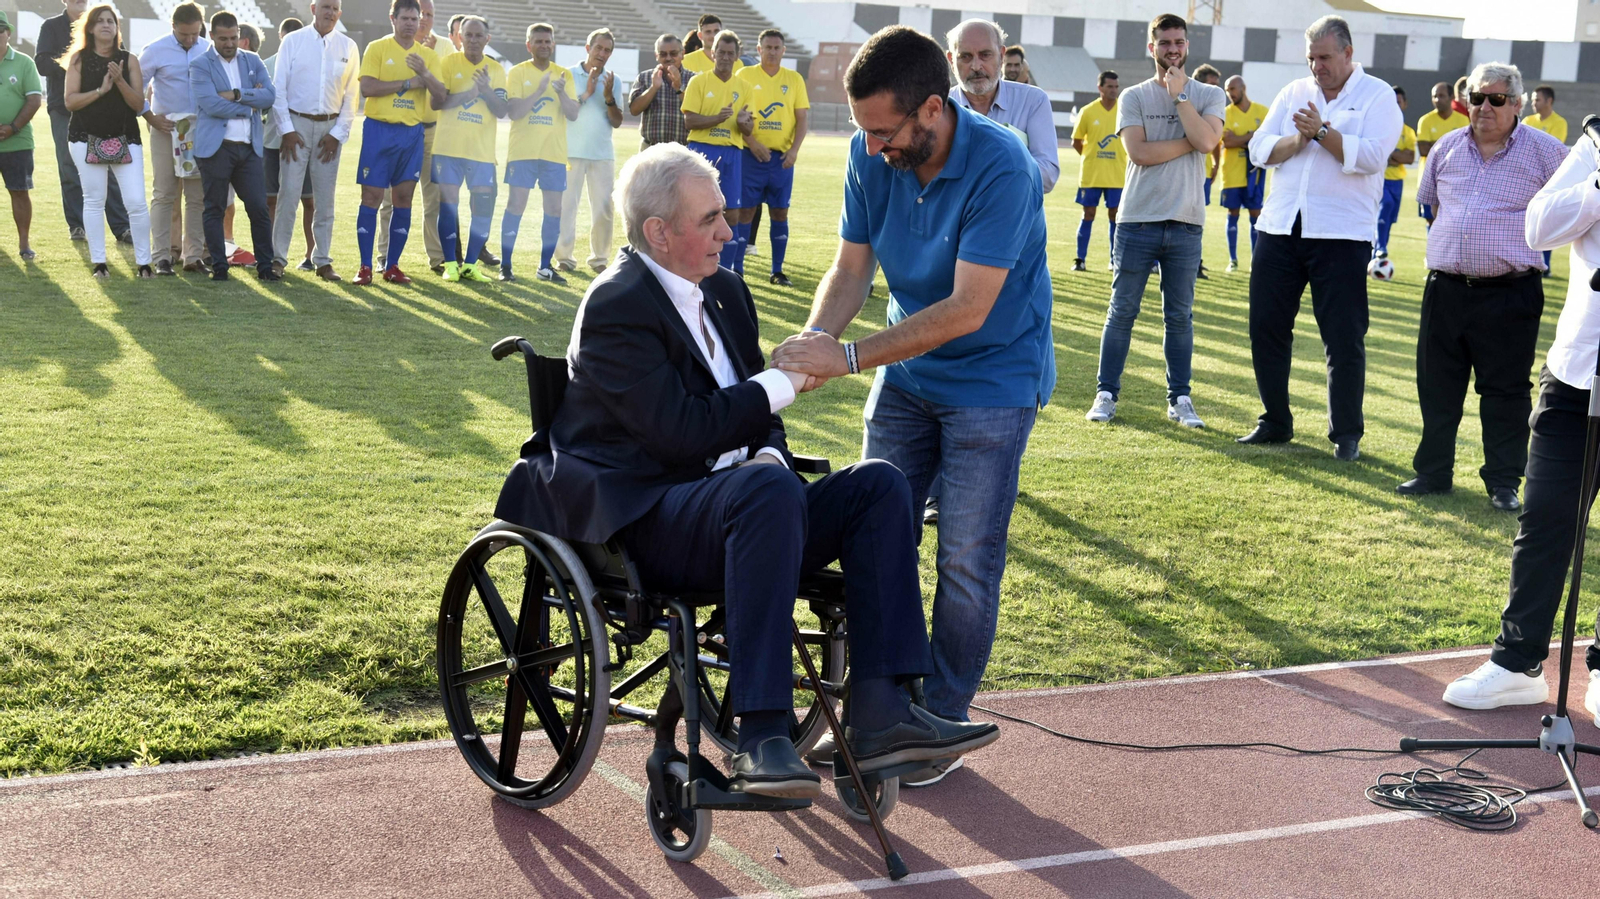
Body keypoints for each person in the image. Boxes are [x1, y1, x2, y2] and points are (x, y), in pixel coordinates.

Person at [494, 142, 1000, 797]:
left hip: (751, 509)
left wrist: (768, 445)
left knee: (879, 484)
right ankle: (762, 736)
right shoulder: (617, 304)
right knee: (764, 487)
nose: (729, 232)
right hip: (651, 521)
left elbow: (753, 414)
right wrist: (780, 387)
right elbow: (682, 432)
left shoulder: (726, 292)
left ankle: (881, 716)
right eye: (709, 220)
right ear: (659, 232)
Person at [769, 25, 1052, 787]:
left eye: (881, 131)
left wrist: (852, 356)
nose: (869, 149)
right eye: (861, 130)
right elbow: (852, 269)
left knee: (965, 557)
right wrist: (813, 341)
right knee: (875, 535)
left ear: (933, 109)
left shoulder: (1004, 167)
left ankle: (942, 718)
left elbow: (967, 308)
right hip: (908, 382)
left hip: (992, 382)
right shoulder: (878, 159)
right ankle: (882, 703)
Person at [1443, 112, 1600, 724]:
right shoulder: (1593, 144)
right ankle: (1518, 664)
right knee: (1545, 522)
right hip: (1577, 371)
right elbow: (1538, 225)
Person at [1397, 63, 1566, 514]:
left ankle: (1503, 482)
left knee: (1506, 392)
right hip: (1447, 289)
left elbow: (1580, 199)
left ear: (1516, 103)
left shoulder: (1546, 151)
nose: (1484, 107)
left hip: (1511, 293)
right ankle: (1433, 472)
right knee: (1437, 386)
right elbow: (1431, 206)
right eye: (1476, 98)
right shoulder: (1446, 148)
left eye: (1495, 99)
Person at [1238, 15, 1401, 461]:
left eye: (1325, 57)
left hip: (1341, 233)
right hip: (1280, 226)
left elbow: (1371, 157)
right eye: (1311, 58)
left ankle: (1345, 434)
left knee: (1343, 337)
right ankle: (1275, 421)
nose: (1317, 67)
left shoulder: (1378, 96)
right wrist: (1298, 139)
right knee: (1266, 327)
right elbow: (1258, 148)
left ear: (1349, 53)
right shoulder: (1294, 92)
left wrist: (1324, 133)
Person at [1084, 13, 1224, 429]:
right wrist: (1191, 140)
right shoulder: (1134, 96)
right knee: (1121, 311)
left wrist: (1182, 99)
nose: (1173, 49)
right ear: (1152, 48)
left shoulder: (1207, 94)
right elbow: (1140, 154)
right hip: (1138, 221)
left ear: (1187, 45)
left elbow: (1209, 143)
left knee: (1179, 316)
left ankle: (1180, 399)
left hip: (1186, 222)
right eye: (1165, 43)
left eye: (1179, 42)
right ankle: (1106, 394)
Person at [352, 0, 444, 286]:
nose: (410, 23)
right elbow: (367, 88)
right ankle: (366, 267)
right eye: (405, 18)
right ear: (392, 19)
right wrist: (407, 83)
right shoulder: (378, 48)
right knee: (372, 198)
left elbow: (440, 99)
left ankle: (392, 266)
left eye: (415, 19)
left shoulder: (427, 56)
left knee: (404, 199)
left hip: (411, 135)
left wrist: (425, 75)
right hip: (379, 131)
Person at [60, 4, 153, 279]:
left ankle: (144, 264)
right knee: (94, 200)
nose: (105, 25)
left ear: (117, 27)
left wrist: (119, 81)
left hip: (126, 138)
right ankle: (99, 263)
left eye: (110, 21)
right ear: (90, 27)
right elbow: (70, 102)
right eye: (99, 21)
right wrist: (101, 90)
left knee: (136, 201)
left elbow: (138, 104)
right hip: (84, 137)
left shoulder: (130, 60)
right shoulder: (78, 59)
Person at [270, 0, 359, 281]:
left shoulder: (348, 47)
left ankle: (322, 260)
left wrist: (337, 135)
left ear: (340, 13)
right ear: (313, 9)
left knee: (325, 199)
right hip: (295, 126)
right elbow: (278, 88)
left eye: (334, 8)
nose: (330, 12)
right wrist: (286, 130)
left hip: (329, 131)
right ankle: (277, 259)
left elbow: (351, 97)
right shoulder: (293, 42)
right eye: (325, 7)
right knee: (289, 195)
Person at [189, 11, 277, 281]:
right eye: (224, 38)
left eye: (234, 37)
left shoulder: (252, 60)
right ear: (212, 35)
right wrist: (248, 106)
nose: (230, 43)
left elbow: (270, 96)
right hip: (216, 148)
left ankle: (265, 267)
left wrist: (238, 94)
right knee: (214, 208)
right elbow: (209, 103)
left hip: (249, 148)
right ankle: (220, 268)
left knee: (258, 209)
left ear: (240, 36)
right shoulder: (200, 64)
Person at [34, 0, 129, 245]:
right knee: (69, 167)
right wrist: (77, 65)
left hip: (102, 107)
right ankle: (77, 226)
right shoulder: (52, 27)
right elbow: (42, 64)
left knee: (109, 163)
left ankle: (121, 227)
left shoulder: (101, 21)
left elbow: (121, 57)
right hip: (64, 106)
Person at [501, 22, 579, 284]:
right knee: (516, 206)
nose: (544, 45)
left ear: (553, 44)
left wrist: (559, 92)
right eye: (538, 41)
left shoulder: (563, 75)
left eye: (547, 41)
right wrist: (538, 89)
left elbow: (573, 114)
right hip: (523, 152)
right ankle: (506, 265)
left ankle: (545, 267)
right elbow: (514, 112)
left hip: (553, 154)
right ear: (529, 45)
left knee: (554, 210)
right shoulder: (517, 72)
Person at [429, 15, 505, 284]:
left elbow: (502, 110)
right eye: (468, 35)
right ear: (459, 37)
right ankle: (451, 264)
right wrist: (471, 93)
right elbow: (438, 102)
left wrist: (485, 90)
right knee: (449, 207)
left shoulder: (495, 70)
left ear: (487, 39)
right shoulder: (447, 63)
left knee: (482, 210)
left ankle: (471, 264)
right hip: (449, 149)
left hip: (481, 153)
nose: (472, 40)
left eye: (478, 35)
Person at [376, 0, 448, 273]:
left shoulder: (444, 47)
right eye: (415, 15)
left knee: (434, 199)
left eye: (427, 15)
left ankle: (438, 258)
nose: (421, 20)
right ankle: (385, 256)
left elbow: (443, 94)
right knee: (388, 199)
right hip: (395, 132)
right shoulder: (384, 46)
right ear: (396, 18)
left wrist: (425, 71)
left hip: (431, 132)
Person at [139, 2, 209, 276]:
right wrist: (149, 116)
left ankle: (193, 256)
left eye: (195, 33)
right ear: (173, 27)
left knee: (196, 196)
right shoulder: (155, 50)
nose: (190, 40)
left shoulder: (208, 49)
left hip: (199, 132)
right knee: (165, 192)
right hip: (166, 129)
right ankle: (162, 256)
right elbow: (137, 86)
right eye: (184, 35)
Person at [947, 20, 1057, 194]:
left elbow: (1047, 175)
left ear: (1001, 55)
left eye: (985, 55)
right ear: (951, 60)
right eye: (965, 56)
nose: (976, 66)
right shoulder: (938, 107)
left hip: (1016, 219)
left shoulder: (1032, 101)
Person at [737, 29, 809, 286]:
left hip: (781, 161)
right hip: (750, 157)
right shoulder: (744, 75)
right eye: (767, 47)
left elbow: (802, 119)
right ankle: (738, 270)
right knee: (744, 211)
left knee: (780, 212)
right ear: (759, 49)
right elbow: (738, 117)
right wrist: (753, 142)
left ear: (783, 50)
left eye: (777, 48)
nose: (772, 52)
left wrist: (794, 151)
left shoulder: (794, 79)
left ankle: (777, 271)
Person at [680, 31, 753, 273]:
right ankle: (694, 263)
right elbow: (689, 121)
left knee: (732, 213)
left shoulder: (743, 87)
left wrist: (744, 123)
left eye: (730, 53)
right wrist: (716, 118)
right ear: (713, 53)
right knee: (697, 212)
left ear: (737, 56)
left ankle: (728, 270)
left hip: (732, 153)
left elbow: (747, 126)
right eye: (720, 52)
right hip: (702, 151)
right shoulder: (698, 82)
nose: (724, 57)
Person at [554, 27, 623, 275]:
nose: (602, 53)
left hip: (602, 153)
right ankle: (564, 258)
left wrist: (608, 97)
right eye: (598, 48)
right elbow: (567, 112)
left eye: (607, 50)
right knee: (565, 206)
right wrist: (588, 93)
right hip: (570, 152)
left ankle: (600, 259)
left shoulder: (612, 80)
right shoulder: (568, 75)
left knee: (604, 209)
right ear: (587, 48)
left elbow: (616, 120)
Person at [263, 16, 315, 271]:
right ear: (281, 38)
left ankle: (311, 254)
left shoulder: (311, 64)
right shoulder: (265, 65)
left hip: (301, 143)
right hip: (272, 143)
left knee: (309, 201)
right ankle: (271, 253)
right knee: (271, 200)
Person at [1071, 71, 1123, 273]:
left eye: (1116, 86)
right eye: (1109, 86)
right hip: (1091, 174)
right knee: (1088, 213)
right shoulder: (1088, 111)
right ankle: (1080, 259)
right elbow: (1077, 141)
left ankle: (1114, 259)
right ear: (1100, 88)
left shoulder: (1124, 110)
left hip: (1117, 174)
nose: (1114, 90)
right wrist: (1090, 157)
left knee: (1115, 216)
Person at [0, 13, 41, 260]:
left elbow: (34, 100)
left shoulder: (24, 62)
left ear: (8, 33)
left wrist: (12, 127)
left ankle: (24, 244)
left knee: (19, 191)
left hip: (18, 141)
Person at [1219, 74, 1267, 272]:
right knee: (1233, 213)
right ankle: (1233, 260)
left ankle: (1256, 260)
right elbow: (1226, 142)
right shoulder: (1226, 113)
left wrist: (1240, 138)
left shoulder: (1262, 111)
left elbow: (1267, 138)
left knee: (1256, 214)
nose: (1230, 94)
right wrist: (1251, 136)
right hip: (1231, 173)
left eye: (1232, 89)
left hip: (1254, 174)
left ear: (1243, 88)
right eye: (1227, 90)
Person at [1524, 85, 1568, 274]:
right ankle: (1526, 261)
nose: (1534, 103)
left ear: (1549, 101)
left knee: (1545, 222)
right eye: (1533, 99)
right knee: (1526, 222)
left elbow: (1551, 150)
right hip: (1527, 179)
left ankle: (1546, 265)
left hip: (1548, 181)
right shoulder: (1527, 120)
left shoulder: (1559, 122)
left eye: (1537, 99)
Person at [1416, 82, 1468, 229]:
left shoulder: (1463, 120)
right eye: (1434, 96)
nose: (1437, 100)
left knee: (1453, 221)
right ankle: (1431, 252)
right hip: (1428, 180)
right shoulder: (1425, 120)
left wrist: (1435, 144)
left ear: (1452, 97)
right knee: (1431, 220)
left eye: (1441, 96)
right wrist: (1450, 145)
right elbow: (1423, 149)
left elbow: (1464, 150)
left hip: (1455, 179)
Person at [1375, 86, 1415, 259]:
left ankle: (1377, 253)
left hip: (1397, 181)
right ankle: (1380, 247)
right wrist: (1396, 155)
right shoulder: (1379, 127)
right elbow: (1377, 153)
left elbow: (1409, 158)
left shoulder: (1408, 132)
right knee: (1386, 206)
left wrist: (1391, 155)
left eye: (1398, 102)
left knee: (1389, 219)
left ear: (1405, 104)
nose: (1395, 106)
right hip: (1380, 179)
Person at [629, 33, 688, 150]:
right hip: (650, 148)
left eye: (673, 53)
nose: (668, 58)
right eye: (663, 54)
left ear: (683, 54)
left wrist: (678, 87)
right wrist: (653, 88)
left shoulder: (692, 79)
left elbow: (697, 110)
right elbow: (634, 110)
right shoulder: (645, 77)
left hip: (683, 149)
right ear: (656, 56)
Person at [1193, 63, 1223, 279]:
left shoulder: (1213, 107)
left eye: (1217, 85)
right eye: (1211, 85)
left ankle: (1196, 261)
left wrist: (1215, 164)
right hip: (1182, 172)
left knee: (1197, 218)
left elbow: (1215, 141)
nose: (1215, 90)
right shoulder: (1186, 104)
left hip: (1202, 174)